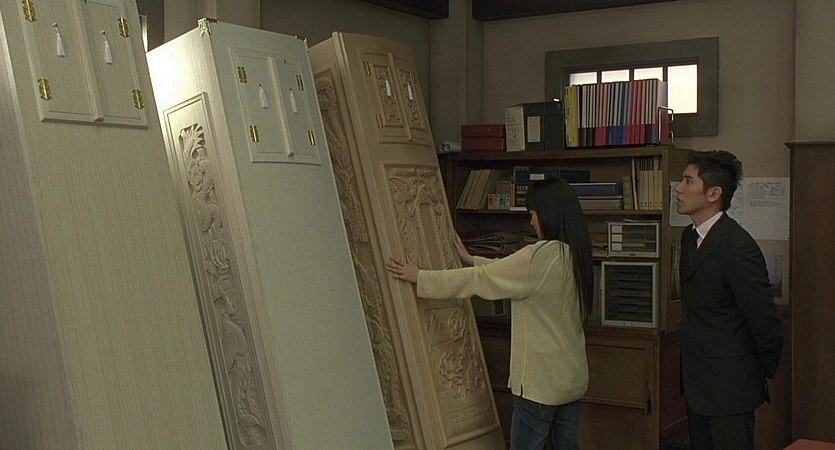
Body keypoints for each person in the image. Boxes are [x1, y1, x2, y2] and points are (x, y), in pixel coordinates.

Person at [386, 177, 593, 450]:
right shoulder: (574, 253)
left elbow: (481, 280)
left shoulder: (539, 256)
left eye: (533, 214)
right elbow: (510, 274)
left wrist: (421, 277)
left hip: (540, 386)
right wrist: (473, 258)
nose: (531, 222)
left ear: (548, 214)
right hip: (570, 381)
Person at [675, 150, 784, 450]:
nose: (679, 189)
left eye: (688, 181)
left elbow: (764, 321)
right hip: (697, 382)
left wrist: (753, 374)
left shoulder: (736, 245)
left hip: (731, 385)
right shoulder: (689, 237)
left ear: (714, 193)